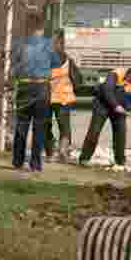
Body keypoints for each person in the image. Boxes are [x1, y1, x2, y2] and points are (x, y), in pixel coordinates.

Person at [11, 11, 58, 172]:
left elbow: (14, 65)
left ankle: (17, 161)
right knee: (40, 127)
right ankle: (35, 164)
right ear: (42, 27)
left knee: (21, 124)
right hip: (42, 88)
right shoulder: (48, 45)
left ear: (27, 26)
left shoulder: (19, 43)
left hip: (24, 87)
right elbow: (56, 64)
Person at [78, 65, 131, 171]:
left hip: (120, 108)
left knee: (120, 134)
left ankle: (120, 161)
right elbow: (107, 91)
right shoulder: (115, 74)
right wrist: (115, 105)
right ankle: (84, 159)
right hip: (103, 105)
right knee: (94, 132)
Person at [45, 30, 80, 163]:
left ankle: (50, 153)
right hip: (63, 98)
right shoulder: (67, 59)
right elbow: (77, 80)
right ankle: (63, 152)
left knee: (46, 124)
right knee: (64, 126)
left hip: (48, 97)